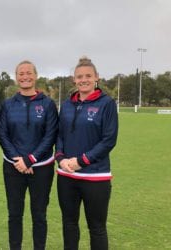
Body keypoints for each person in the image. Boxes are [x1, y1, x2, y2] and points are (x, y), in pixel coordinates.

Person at [55, 56, 118, 250]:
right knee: (69, 224)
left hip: (96, 176)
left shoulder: (106, 103)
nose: (83, 80)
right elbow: (59, 136)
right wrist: (61, 159)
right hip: (67, 175)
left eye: (88, 76)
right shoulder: (66, 105)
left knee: (97, 228)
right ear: (74, 79)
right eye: (79, 76)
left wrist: (82, 161)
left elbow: (109, 140)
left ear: (96, 77)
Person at [0, 60, 58, 250]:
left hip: (41, 168)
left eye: (28, 73)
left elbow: (50, 135)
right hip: (13, 166)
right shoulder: (8, 104)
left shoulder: (47, 104)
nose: (25, 77)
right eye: (21, 74)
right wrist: (18, 159)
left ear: (36, 76)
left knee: (39, 214)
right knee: (14, 214)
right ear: (16, 78)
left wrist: (31, 159)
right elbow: (3, 134)